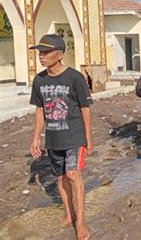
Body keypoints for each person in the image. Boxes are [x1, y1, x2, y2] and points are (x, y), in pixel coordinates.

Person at [29, 34, 93, 240]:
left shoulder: (75, 77)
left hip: (74, 135)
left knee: (73, 174)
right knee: (61, 177)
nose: (42, 56)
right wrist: (36, 137)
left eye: (46, 52)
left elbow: (85, 109)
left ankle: (81, 223)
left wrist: (88, 138)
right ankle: (69, 213)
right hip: (54, 137)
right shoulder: (39, 80)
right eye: (40, 52)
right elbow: (40, 110)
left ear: (60, 54)